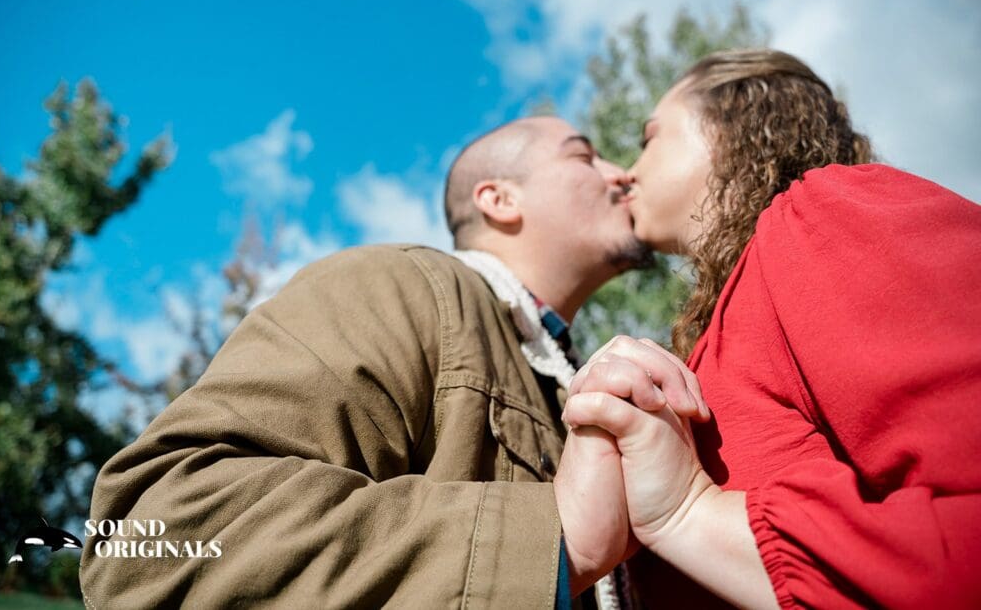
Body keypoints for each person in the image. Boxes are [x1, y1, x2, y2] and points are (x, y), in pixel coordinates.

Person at [79, 115, 707, 608]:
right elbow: (148, 537)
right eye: (583, 153)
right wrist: (554, 533)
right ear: (498, 199)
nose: (621, 173)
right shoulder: (400, 284)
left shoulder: (561, 371)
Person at [561, 48, 981, 608]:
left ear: (730, 125)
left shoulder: (827, 216)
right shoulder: (729, 315)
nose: (629, 172)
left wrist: (691, 514)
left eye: (649, 138)